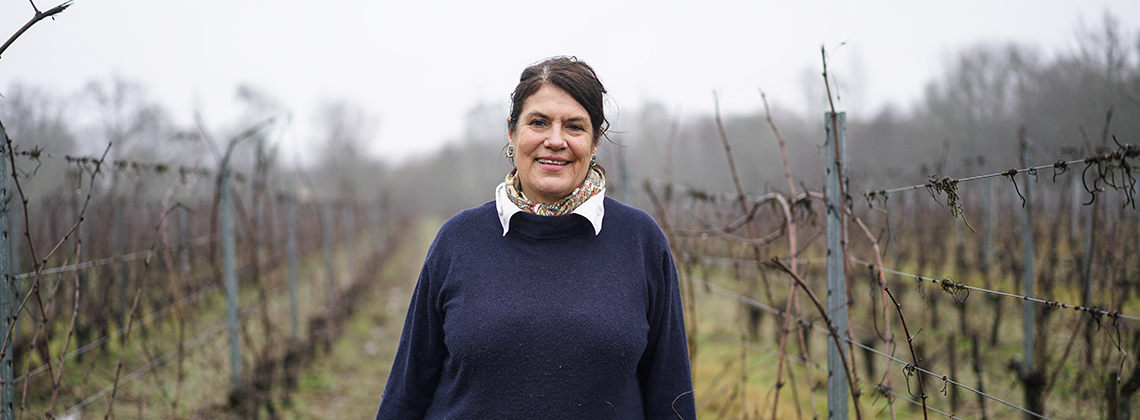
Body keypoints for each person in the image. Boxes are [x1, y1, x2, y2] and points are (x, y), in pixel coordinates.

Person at [375, 56, 696, 419]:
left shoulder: (640, 242)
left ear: (595, 142)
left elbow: (671, 395)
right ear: (512, 132)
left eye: (574, 126)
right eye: (539, 122)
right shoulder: (458, 240)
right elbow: (408, 390)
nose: (554, 140)